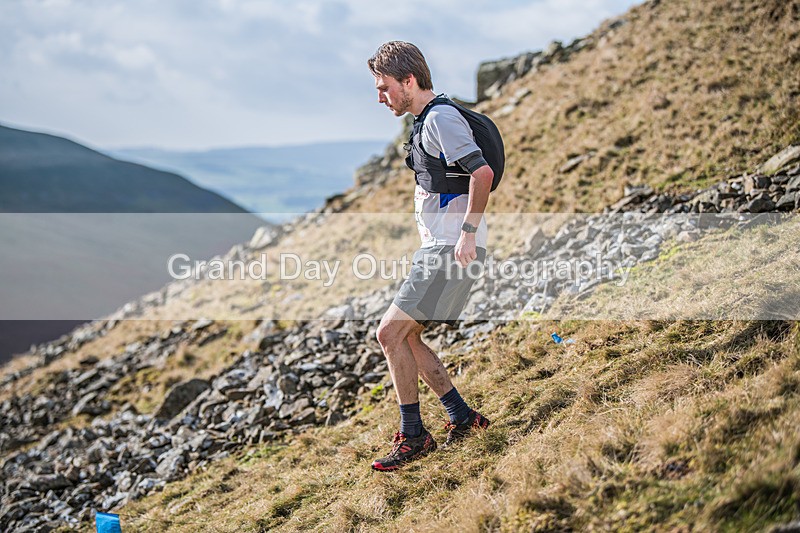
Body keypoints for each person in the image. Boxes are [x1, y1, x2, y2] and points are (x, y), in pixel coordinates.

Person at [367, 41, 493, 472]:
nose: (380, 97)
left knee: (389, 335)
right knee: (407, 336)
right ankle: (461, 415)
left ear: (409, 80)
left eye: (384, 88)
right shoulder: (425, 120)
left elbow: (482, 173)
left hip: (448, 249)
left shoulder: (440, 117)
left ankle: (414, 436)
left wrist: (468, 236)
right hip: (440, 247)